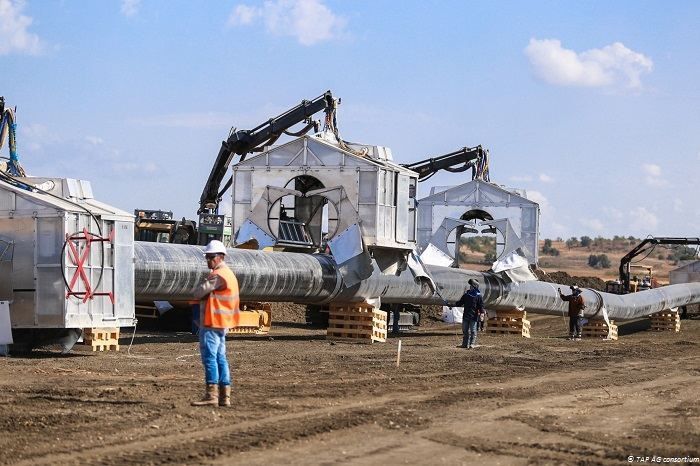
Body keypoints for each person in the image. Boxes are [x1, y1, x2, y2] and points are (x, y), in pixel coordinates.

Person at [191, 240, 240, 407]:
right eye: (207, 257)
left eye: (210, 257)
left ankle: (211, 395)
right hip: (221, 323)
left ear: (220, 257)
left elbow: (199, 291)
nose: (208, 260)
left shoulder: (218, 275)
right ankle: (224, 396)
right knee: (220, 358)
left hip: (212, 322)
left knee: (210, 358)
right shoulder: (229, 274)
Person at [454, 278, 485, 348]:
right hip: (466, 316)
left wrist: (482, 314)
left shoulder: (478, 296)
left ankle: (472, 344)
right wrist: (452, 304)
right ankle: (464, 344)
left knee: (473, 331)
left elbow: (481, 306)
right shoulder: (466, 295)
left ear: (474, 286)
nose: (470, 287)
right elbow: (459, 303)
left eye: (471, 286)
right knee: (465, 331)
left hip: (474, 316)